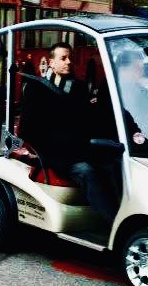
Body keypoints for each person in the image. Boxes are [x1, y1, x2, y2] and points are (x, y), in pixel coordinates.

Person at [19, 42, 119, 222]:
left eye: (70, 58)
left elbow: (89, 120)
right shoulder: (37, 88)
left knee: (112, 164)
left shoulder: (79, 88)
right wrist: (61, 142)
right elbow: (27, 129)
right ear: (51, 63)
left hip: (81, 149)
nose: (68, 62)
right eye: (63, 58)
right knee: (86, 171)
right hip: (55, 154)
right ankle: (114, 222)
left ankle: (122, 212)